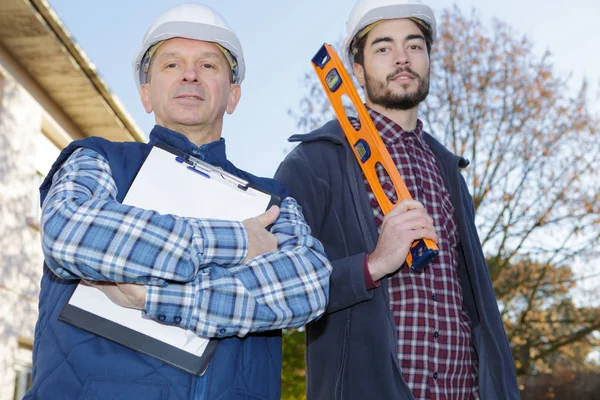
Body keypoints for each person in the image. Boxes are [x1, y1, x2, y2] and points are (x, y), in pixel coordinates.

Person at [26, 4, 331, 400]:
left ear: (233, 96)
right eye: (172, 65)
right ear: (146, 93)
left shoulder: (273, 200)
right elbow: (71, 232)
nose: (190, 74)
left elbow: (307, 285)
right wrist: (238, 241)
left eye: (208, 65)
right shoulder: (99, 160)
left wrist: (157, 296)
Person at [274, 0, 520, 399]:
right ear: (356, 68)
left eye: (415, 45)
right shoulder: (314, 162)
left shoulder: (450, 173)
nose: (402, 58)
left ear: (428, 59)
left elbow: (479, 309)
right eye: (384, 48)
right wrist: (372, 265)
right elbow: (275, 286)